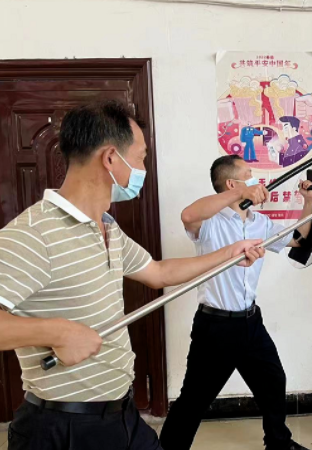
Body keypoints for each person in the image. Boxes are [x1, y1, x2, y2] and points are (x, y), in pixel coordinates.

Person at [0, 101, 266, 450]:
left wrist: (228, 254)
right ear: (111, 158)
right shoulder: (33, 233)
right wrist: (57, 332)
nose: (143, 169)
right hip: (62, 428)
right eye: (140, 158)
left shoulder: (107, 228)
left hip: (120, 415)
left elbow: (158, 272)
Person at [160, 155, 312, 450]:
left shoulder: (260, 222)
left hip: (250, 322)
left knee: (273, 381)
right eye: (249, 175)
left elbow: (297, 239)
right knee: (194, 399)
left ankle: (279, 444)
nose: (257, 180)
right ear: (232, 184)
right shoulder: (209, 222)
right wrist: (239, 195)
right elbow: (187, 215)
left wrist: (308, 202)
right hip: (215, 326)